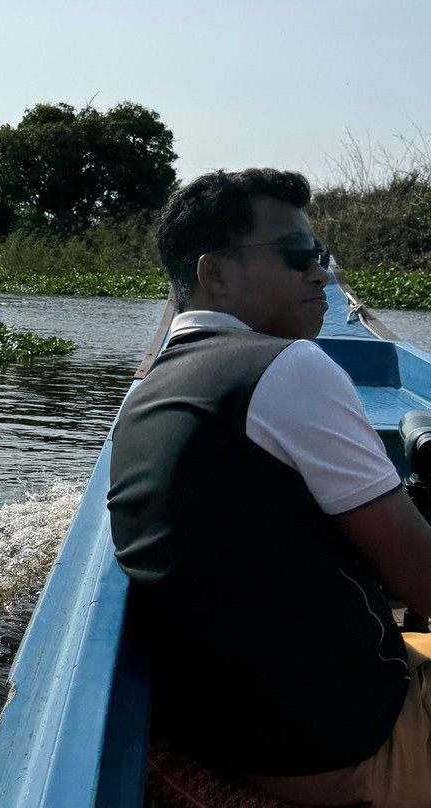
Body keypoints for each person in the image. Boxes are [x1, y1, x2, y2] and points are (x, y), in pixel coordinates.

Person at [107, 168, 431, 806]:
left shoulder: (148, 396)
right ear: (215, 274)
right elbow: (423, 582)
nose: (321, 276)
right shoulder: (287, 367)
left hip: (257, 736)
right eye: (297, 256)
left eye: (321, 258)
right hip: (360, 746)